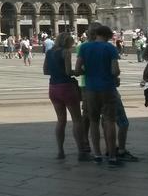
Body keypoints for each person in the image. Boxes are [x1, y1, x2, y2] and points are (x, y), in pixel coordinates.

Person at [75, 23, 122, 166]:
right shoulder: (110, 48)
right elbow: (115, 71)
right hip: (108, 88)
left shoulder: (84, 47)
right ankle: (112, 156)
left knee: (93, 121)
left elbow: (77, 70)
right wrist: (114, 75)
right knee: (109, 121)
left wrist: (89, 71)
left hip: (90, 89)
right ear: (107, 36)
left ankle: (97, 154)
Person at [44, 32, 86, 160]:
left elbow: (45, 71)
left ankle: (60, 152)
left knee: (61, 121)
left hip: (53, 88)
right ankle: (81, 152)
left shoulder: (49, 52)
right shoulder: (66, 52)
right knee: (77, 120)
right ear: (67, 42)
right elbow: (68, 72)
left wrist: (56, 71)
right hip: (66, 87)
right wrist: (79, 72)